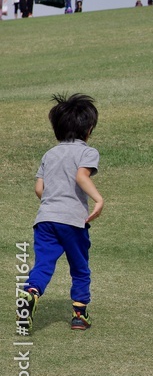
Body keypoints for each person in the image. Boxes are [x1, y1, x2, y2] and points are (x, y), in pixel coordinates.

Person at [17, 94, 104, 334]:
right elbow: (81, 176)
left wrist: (53, 204)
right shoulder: (87, 152)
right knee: (79, 267)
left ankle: (31, 292)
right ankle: (79, 315)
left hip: (45, 220)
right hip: (73, 221)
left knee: (43, 264)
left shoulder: (49, 154)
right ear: (89, 129)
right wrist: (98, 199)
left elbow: (39, 189)